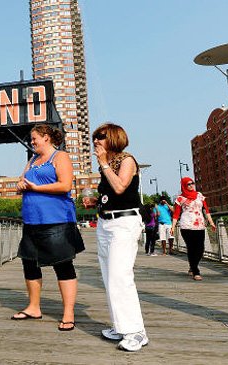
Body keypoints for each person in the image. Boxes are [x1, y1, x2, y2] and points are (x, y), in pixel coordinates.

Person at [12, 124, 84, 332]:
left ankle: (68, 313)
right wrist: (20, 186)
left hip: (56, 220)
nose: (32, 141)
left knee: (62, 265)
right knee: (30, 264)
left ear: (46, 137)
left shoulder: (59, 157)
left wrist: (36, 188)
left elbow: (65, 185)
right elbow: (21, 180)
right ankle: (34, 307)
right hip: (32, 221)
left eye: (34, 138)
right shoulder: (33, 160)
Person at [93, 123, 148, 352]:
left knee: (120, 276)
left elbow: (120, 187)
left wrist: (104, 163)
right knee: (109, 277)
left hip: (124, 223)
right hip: (106, 223)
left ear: (114, 138)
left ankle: (136, 332)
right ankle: (121, 325)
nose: (96, 141)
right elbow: (109, 196)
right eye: (95, 137)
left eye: (101, 137)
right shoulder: (105, 165)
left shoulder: (127, 160)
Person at [171, 177, 216, 281]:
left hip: (200, 225)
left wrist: (212, 222)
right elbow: (176, 214)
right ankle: (196, 271)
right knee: (191, 248)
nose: (191, 185)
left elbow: (206, 210)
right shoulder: (180, 199)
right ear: (184, 186)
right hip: (186, 226)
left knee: (200, 249)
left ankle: (192, 266)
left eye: (192, 183)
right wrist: (173, 227)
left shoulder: (199, 196)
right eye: (188, 184)